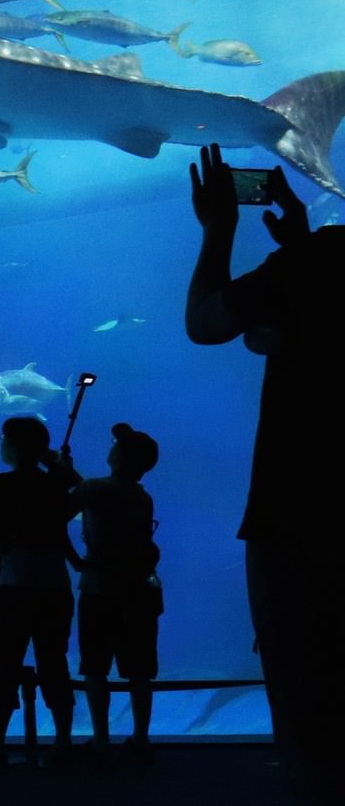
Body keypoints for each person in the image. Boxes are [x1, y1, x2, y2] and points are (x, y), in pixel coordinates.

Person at [185, 143, 345, 804]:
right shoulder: (317, 257)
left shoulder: (313, 262)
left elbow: (206, 323)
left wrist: (220, 228)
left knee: (306, 703)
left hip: (297, 517)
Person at [0, 415, 77, 766]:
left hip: (14, 586)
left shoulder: (1, 483)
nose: (1, 442)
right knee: (55, 663)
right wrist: (59, 468)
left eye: (4, 436)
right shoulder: (57, 484)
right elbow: (80, 499)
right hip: (54, 585)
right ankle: (63, 743)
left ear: (13, 445)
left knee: (4, 664)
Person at [64, 422, 161, 761]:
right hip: (139, 591)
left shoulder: (94, 489)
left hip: (99, 588)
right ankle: (141, 739)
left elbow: (62, 511)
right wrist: (66, 472)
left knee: (94, 667)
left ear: (118, 456)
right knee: (139, 670)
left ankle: (101, 739)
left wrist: (76, 561)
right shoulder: (141, 496)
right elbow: (98, 497)